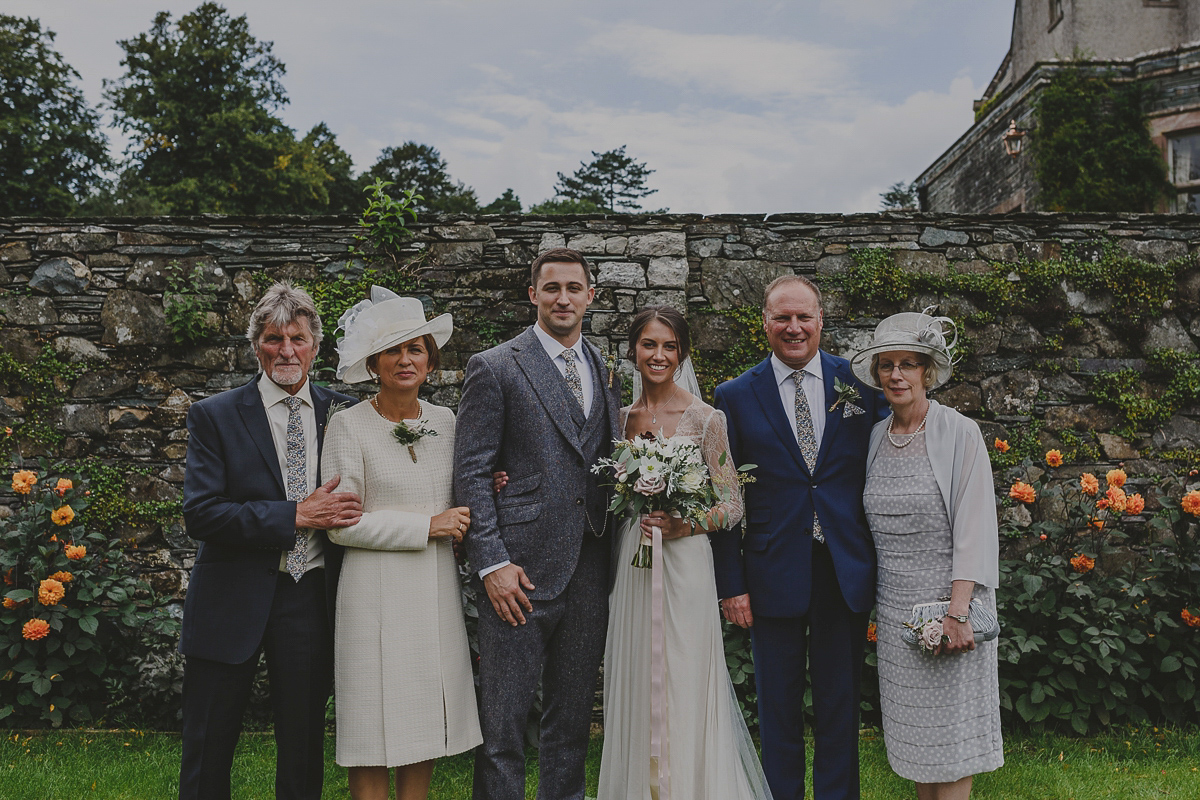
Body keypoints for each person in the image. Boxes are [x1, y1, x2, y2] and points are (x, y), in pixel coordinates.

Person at [180, 282, 363, 800]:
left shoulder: (346, 415)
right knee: (207, 746)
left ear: (316, 346)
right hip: (229, 599)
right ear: (255, 344)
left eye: (298, 339)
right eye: (274, 338)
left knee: (303, 749)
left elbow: (392, 478)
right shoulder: (214, 415)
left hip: (310, 598)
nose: (286, 351)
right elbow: (202, 513)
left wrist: (490, 482)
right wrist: (297, 514)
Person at [454, 247, 622, 800]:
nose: (563, 298)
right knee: (503, 726)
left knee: (571, 723)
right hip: (518, 572)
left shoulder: (604, 367)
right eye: (551, 288)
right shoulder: (496, 365)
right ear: (533, 295)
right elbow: (473, 472)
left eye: (574, 288)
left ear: (590, 296)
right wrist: (493, 564)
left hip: (590, 565)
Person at [712, 275, 886, 800]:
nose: (794, 328)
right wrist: (730, 583)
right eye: (782, 318)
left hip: (843, 568)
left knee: (840, 704)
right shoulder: (734, 396)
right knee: (777, 707)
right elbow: (725, 499)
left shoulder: (860, 384)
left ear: (820, 320)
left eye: (803, 317)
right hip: (770, 571)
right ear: (764, 323)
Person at [596, 306, 773, 800]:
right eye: (649, 344)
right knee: (636, 677)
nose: (658, 355)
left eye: (669, 346)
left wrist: (685, 524)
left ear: (683, 353)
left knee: (685, 676)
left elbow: (733, 504)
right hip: (634, 560)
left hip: (686, 562)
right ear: (634, 349)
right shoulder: (618, 418)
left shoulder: (706, 419)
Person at [321, 287, 482, 800]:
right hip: (372, 596)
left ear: (430, 362)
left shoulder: (447, 423)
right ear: (374, 362)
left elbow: (464, 491)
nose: (405, 359)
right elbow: (341, 525)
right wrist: (426, 527)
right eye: (393, 350)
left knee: (422, 719)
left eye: (416, 349)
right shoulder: (348, 426)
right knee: (370, 727)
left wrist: (490, 487)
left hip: (432, 593)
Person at [851, 310, 1003, 800]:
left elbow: (975, 527)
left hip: (951, 605)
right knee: (919, 743)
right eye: (887, 365)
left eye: (908, 364)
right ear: (877, 375)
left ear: (927, 372)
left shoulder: (958, 432)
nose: (897, 374)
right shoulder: (877, 437)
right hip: (897, 613)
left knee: (952, 744)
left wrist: (958, 613)